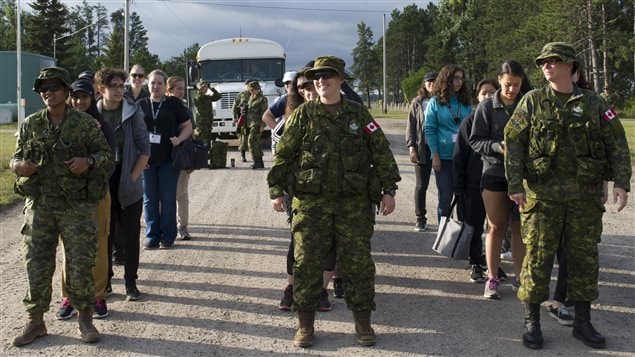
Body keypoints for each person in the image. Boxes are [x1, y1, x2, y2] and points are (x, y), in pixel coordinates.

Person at [267, 56, 401, 348]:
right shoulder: (302, 116)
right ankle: (305, 326)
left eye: (328, 75)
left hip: (352, 205)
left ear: (341, 80)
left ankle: (363, 324)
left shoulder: (358, 115)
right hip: (311, 204)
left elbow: (380, 152)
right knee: (306, 265)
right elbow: (284, 155)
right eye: (316, 76)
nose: (321, 80)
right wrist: (276, 190)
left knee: (358, 266)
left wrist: (388, 190)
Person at [504, 42, 631, 350]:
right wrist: (515, 185)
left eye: (554, 60)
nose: (547, 65)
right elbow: (513, 140)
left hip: (584, 197)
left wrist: (621, 182)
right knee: (537, 258)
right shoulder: (532, 101)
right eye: (543, 61)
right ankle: (532, 321)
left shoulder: (594, 103)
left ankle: (582, 322)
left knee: (583, 259)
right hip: (542, 197)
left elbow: (617, 142)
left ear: (571, 65)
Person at [10, 66, 113, 346]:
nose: (48, 92)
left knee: (80, 264)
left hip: (76, 206)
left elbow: (106, 156)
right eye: (43, 88)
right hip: (40, 205)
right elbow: (16, 158)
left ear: (66, 92)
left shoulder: (84, 124)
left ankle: (85, 319)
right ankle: (35, 321)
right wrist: (18, 166)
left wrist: (87, 162)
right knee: (37, 264)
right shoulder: (31, 123)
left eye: (54, 87)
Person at [56, 79, 117, 320]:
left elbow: (110, 161)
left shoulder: (102, 126)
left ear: (93, 98)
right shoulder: (61, 125)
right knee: (68, 247)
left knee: (99, 246)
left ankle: (98, 295)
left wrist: (90, 176)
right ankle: (69, 296)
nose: (80, 102)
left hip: (96, 195)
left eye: (85, 97)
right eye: (76, 97)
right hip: (68, 197)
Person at [470, 60, 531, 299]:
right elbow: (475, 141)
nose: (511, 90)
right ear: (499, 80)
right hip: (494, 173)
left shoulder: (528, 104)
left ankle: (519, 277)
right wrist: (497, 146)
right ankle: (492, 278)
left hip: (523, 176)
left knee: (519, 228)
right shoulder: (486, 107)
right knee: (496, 226)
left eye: (516, 85)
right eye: (507, 85)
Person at [274, 70, 333, 312]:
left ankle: (321, 290)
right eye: (304, 88)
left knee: (330, 241)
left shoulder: (338, 113)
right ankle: (291, 287)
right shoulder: (292, 117)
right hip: (299, 189)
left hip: (332, 189)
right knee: (297, 240)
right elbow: (280, 152)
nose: (309, 92)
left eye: (312, 87)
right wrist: (277, 189)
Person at [95, 68, 150, 301]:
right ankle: (106, 282)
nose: (120, 90)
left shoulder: (132, 110)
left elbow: (145, 148)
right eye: (114, 86)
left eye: (122, 86)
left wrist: (133, 177)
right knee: (105, 234)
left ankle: (130, 283)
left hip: (128, 179)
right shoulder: (92, 114)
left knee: (130, 235)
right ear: (101, 89)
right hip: (103, 181)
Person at [138, 69, 192, 249]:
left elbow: (187, 126)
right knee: (150, 199)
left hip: (169, 158)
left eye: (159, 83)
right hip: (146, 160)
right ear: (148, 84)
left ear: (164, 85)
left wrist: (180, 139)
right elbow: (133, 132)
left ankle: (168, 236)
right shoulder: (140, 104)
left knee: (168, 198)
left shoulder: (174, 103)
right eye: (153, 83)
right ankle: (152, 235)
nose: (156, 86)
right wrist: (138, 156)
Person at [453, 78, 498, 283]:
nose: (487, 96)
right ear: (476, 97)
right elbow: (459, 156)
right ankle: (475, 263)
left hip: (498, 182)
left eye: (491, 92)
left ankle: (492, 265)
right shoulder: (468, 122)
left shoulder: (502, 120)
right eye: (483, 93)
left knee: (496, 226)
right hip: (473, 184)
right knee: (473, 225)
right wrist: (458, 186)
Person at [424, 65, 472, 222]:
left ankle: (462, 236)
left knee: (464, 198)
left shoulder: (465, 102)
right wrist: (435, 155)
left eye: (461, 78)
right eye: (455, 78)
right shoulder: (435, 102)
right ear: (446, 80)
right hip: (444, 158)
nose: (459, 82)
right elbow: (429, 130)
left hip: (464, 158)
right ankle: (444, 237)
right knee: (445, 198)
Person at [406, 71, 436, 232]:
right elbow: (410, 126)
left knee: (445, 186)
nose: (431, 84)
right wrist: (412, 148)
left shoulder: (444, 101)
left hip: (441, 148)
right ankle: (420, 218)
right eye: (428, 81)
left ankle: (445, 219)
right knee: (421, 185)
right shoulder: (417, 103)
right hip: (422, 148)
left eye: (434, 81)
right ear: (424, 84)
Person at [167, 76, 195, 241]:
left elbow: (191, 135)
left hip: (181, 157)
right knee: (164, 195)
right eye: (178, 88)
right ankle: (166, 227)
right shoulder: (161, 108)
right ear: (169, 90)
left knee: (181, 193)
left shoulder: (186, 111)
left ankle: (182, 227)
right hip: (164, 157)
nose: (182, 91)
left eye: (183, 88)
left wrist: (190, 160)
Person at [263, 70, 296, 155]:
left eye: (291, 83)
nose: (289, 85)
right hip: (283, 144)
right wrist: (283, 135)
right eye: (286, 83)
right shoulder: (283, 99)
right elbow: (266, 116)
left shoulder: (306, 96)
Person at [193, 80, 221, 157]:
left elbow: (218, 96)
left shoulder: (207, 96)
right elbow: (200, 99)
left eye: (206, 87)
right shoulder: (198, 97)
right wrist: (202, 90)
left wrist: (211, 88)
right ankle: (202, 160)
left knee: (208, 142)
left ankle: (205, 160)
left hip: (208, 123)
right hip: (202, 123)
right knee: (203, 142)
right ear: (199, 89)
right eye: (203, 87)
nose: (205, 89)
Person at [245, 81, 268, 169]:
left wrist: (263, 125)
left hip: (257, 123)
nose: (251, 91)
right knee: (256, 143)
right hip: (250, 123)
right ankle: (260, 162)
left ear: (257, 89)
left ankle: (256, 161)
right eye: (250, 90)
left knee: (251, 142)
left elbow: (264, 113)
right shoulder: (251, 97)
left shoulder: (262, 99)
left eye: (252, 90)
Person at [232, 79, 255, 162]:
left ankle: (254, 155)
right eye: (248, 85)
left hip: (253, 120)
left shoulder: (257, 95)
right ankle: (243, 155)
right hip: (244, 120)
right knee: (243, 138)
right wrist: (234, 117)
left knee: (254, 139)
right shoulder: (241, 95)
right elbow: (235, 107)